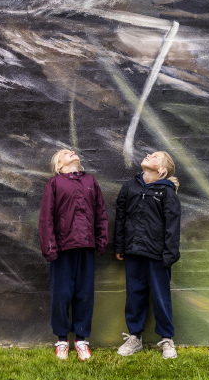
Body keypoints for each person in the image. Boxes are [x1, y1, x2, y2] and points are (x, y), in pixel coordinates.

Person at [38, 148, 109, 361]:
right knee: (61, 295)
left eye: (72, 150)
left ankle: (81, 340)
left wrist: (101, 240)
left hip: (86, 247)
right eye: (64, 153)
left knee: (85, 294)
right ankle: (61, 340)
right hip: (62, 249)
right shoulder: (55, 184)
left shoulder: (90, 181)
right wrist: (49, 247)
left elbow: (101, 212)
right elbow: (46, 218)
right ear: (58, 166)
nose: (71, 151)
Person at [114, 151, 181, 360]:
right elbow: (120, 217)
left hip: (157, 254)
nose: (148, 155)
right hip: (133, 251)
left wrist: (169, 254)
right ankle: (135, 337)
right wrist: (120, 246)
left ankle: (167, 339)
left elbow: (173, 225)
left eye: (155, 156)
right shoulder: (130, 186)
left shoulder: (167, 192)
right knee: (134, 295)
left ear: (162, 170)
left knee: (161, 297)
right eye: (149, 154)